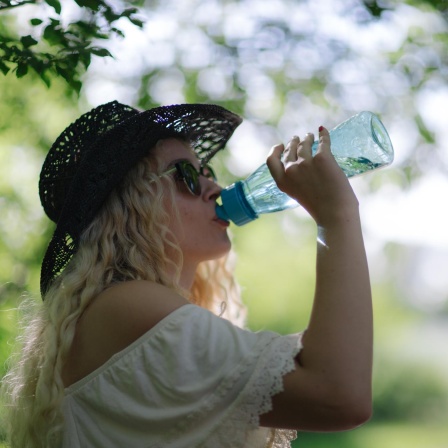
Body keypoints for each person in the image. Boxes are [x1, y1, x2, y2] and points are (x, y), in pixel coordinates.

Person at [1, 101, 373, 448]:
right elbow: (337, 393)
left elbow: (325, 372)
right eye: (186, 176)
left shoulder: (126, 312)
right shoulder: (127, 305)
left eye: (206, 172)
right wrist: (336, 214)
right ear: (129, 206)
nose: (215, 187)